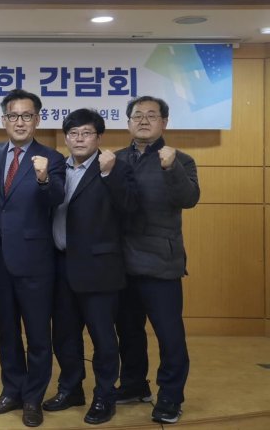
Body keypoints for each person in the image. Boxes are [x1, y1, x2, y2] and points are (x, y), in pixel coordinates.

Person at [42, 109, 138, 425]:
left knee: (103, 338)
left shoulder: (114, 167)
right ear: (66, 137)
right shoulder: (57, 167)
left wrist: (109, 175)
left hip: (99, 268)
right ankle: (71, 389)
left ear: (99, 137)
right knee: (64, 335)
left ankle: (104, 396)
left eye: (86, 133)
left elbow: (130, 208)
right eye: (73, 133)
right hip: (60, 265)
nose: (79, 139)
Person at [0, 89, 65, 428]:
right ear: (4, 120)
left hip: (35, 261)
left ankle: (33, 398)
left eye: (26, 116)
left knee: (38, 335)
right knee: (7, 332)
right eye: (13, 116)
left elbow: (56, 198)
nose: (20, 122)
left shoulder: (52, 158)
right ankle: (12, 391)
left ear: (37, 120)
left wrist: (43, 178)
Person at [114, 96, 200, 425]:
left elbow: (188, 199)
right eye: (137, 115)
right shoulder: (115, 159)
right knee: (128, 331)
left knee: (169, 335)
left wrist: (170, 167)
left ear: (164, 122)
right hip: (120, 263)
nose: (144, 120)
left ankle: (170, 396)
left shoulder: (180, 159)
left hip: (160, 263)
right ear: (128, 122)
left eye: (152, 115)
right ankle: (134, 385)